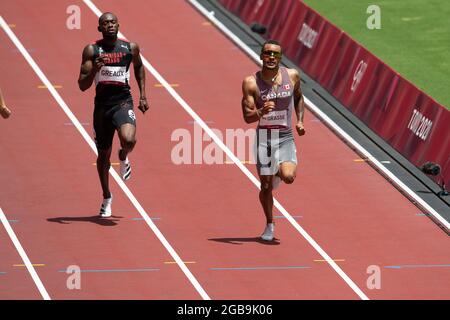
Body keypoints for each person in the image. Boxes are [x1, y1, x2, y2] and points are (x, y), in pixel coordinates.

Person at [78, 12, 148, 218]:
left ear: (118, 25)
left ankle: (124, 155)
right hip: (102, 107)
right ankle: (107, 196)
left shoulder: (130, 48)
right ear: (99, 28)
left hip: (123, 102)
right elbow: (82, 85)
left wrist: (143, 95)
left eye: (112, 22)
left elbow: (140, 67)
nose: (109, 25)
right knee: (103, 156)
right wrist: (94, 71)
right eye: (105, 23)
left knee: (129, 139)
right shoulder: (92, 50)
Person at [241, 40, 306, 241]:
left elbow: (299, 97)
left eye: (275, 55)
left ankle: (277, 171)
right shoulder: (250, 83)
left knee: (288, 177)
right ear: (261, 55)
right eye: (267, 53)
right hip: (264, 139)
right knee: (266, 186)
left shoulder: (292, 76)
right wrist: (261, 111)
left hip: (285, 136)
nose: (271, 57)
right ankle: (270, 224)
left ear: (280, 58)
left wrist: (300, 120)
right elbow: (247, 117)